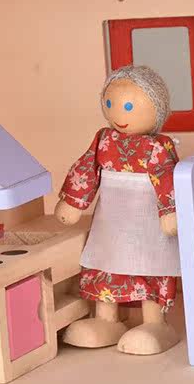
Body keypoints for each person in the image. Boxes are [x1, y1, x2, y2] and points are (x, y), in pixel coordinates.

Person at [55, 65, 181, 355]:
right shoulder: (104, 139)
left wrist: (170, 212)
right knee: (106, 262)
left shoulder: (158, 146)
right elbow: (87, 169)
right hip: (111, 220)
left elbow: (167, 179)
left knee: (149, 265)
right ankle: (106, 319)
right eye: (110, 104)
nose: (118, 115)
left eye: (128, 107)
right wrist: (73, 202)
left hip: (147, 222)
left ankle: (155, 322)